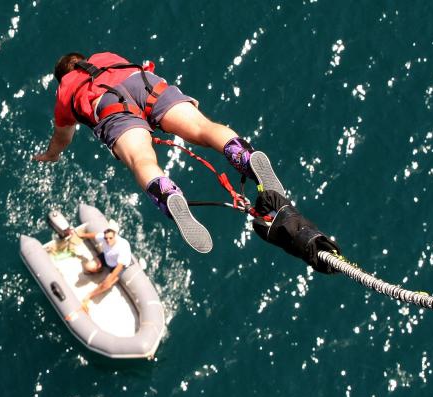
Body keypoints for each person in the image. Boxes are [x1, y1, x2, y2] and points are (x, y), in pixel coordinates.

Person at [33, 51, 285, 254]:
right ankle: (246, 157)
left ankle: (167, 192)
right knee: (202, 127)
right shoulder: (105, 56)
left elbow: (62, 137)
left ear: (62, 77)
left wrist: (51, 155)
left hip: (109, 104)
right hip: (145, 85)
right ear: (83, 59)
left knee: (141, 158)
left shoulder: (66, 90)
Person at [73, 221, 133, 311]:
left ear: (115, 235)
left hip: (117, 265)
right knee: (89, 266)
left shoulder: (123, 246)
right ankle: (99, 270)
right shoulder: (104, 237)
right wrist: (81, 235)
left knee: (107, 284)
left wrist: (109, 279)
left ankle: (90, 295)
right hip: (107, 258)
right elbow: (94, 235)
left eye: (110, 238)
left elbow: (119, 266)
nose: (108, 240)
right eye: (106, 238)